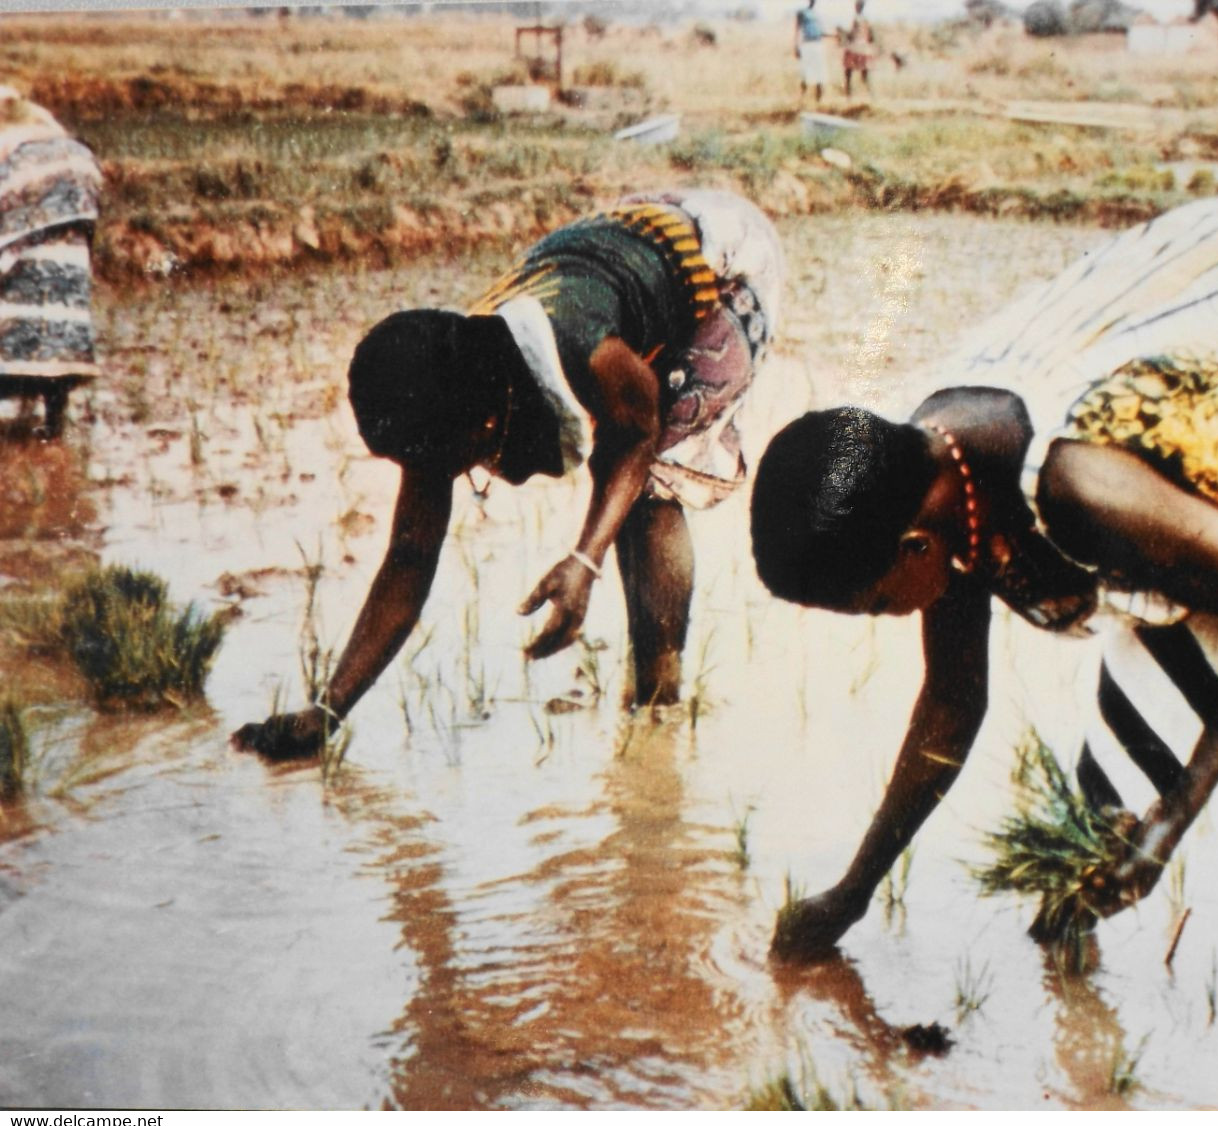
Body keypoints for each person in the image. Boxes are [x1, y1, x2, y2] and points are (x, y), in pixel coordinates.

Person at [749, 197, 1218, 1062]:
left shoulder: (1082, 490)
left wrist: (1173, 819)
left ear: (912, 546)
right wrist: (851, 894)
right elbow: (952, 703)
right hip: (1202, 338)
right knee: (1116, 783)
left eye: (871, 605)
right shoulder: (923, 472)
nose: (882, 620)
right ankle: (1069, 979)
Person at [233, 189, 785, 759]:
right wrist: (326, 711)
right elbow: (409, 558)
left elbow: (638, 435)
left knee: (647, 490)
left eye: (446, 463)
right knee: (620, 470)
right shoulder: (447, 388)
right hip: (622, 237)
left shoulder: (586, 350)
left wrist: (584, 561)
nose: (436, 476)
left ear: (485, 421)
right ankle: (649, 698)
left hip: (725, 257)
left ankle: (658, 710)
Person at [1, 86, 101, 440]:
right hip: (66, 255)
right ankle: (53, 425)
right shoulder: (65, 148)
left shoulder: (14, 148)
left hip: (26, 258)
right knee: (58, 332)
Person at [794, 0, 831, 104]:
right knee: (806, 73)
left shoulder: (817, 15)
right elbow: (797, 30)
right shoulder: (802, 13)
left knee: (820, 74)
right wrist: (796, 46)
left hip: (818, 44)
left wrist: (834, 36)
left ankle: (818, 101)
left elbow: (821, 32)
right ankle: (801, 99)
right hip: (807, 45)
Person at [842, 0, 879, 101]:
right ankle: (873, 97)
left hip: (854, 48)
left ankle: (848, 98)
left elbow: (851, 34)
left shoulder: (855, 19)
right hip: (864, 49)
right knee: (865, 75)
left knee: (848, 73)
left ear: (858, 6)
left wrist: (844, 35)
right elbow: (871, 37)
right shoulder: (867, 20)